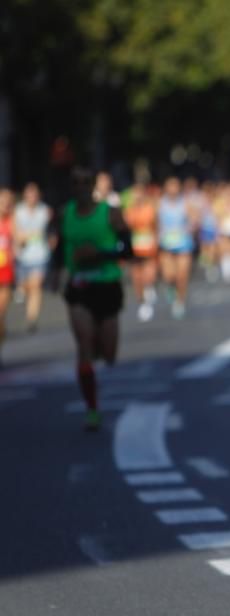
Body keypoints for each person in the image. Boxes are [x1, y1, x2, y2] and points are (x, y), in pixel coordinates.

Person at [51, 168, 133, 430]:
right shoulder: (65, 214)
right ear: (71, 187)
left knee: (108, 355)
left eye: (86, 182)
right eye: (76, 183)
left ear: (94, 186)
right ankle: (92, 408)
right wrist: (56, 274)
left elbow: (126, 249)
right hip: (79, 287)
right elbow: (60, 249)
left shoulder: (110, 213)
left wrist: (101, 253)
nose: (81, 187)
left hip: (107, 286)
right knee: (84, 347)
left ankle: (98, 347)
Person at [13, 183, 53, 333]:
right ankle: (23, 294)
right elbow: (15, 232)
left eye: (35, 195)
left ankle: (32, 318)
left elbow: (50, 231)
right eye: (29, 195)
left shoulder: (45, 211)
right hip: (23, 256)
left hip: (40, 255)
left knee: (36, 286)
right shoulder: (18, 211)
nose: (32, 198)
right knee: (26, 286)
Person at [157, 177, 195, 319]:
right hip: (166, 244)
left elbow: (194, 219)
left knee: (182, 275)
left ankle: (180, 302)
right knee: (169, 275)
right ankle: (171, 288)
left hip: (184, 243)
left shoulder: (185, 203)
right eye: (170, 186)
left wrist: (191, 225)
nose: (173, 189)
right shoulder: (160, 204)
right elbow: (155, 222)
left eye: (175, 186)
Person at [123, 181, 158, 321]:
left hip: (148, 247)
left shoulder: (150, 209)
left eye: (139, 194)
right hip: (135, 249)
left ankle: (149, 288)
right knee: (137, 278)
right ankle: (142, 303)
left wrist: (156, 241)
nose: (137, 197)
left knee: (148, 275)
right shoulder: (128, 211)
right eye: (134, 194)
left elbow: (156, 226)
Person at [0, 189, 15, 365]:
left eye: (7, 201)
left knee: (0, 314)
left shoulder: (12, 221)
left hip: (5, 273)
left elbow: (18, 241)